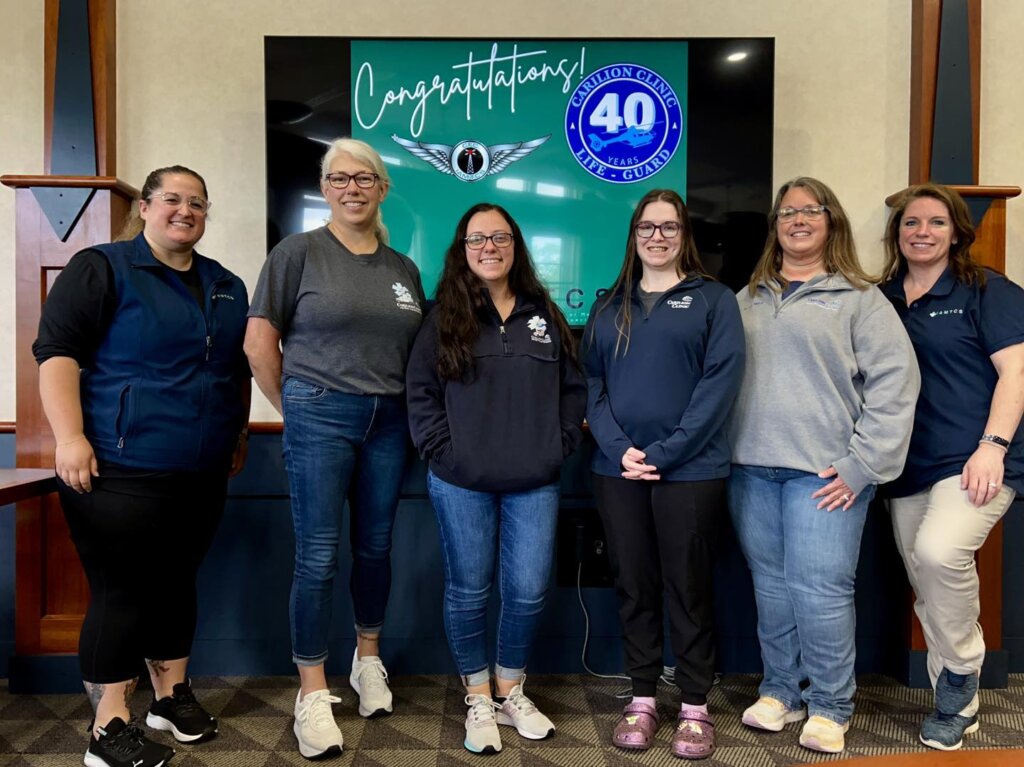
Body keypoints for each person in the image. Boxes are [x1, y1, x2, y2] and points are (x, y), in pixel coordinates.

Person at [33, 165, 251, 767]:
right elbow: (57, 352)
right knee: (122, 592)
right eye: (173, 199)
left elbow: (234, 368)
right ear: (146, 207)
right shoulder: (101, 268)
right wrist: (69, 437)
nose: (186, 211)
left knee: (178, 582)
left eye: (198, 203)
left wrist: (237, 432)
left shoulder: (226, 284)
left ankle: (169, 697)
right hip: (117, 467)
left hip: (202, 469)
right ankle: (107, 728)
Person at [244, 138, 425, 759]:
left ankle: (366, 660)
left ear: (382, 188)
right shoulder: (297, 253)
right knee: (318, 556)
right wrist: (296, 407)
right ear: (325, 188)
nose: (353, 188)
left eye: (364, 178)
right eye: (340, 178)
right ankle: (313, 691)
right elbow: (258, 344)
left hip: (390, 422)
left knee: (375, 548)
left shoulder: (403, 269)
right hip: (319, 413)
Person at [728, 177, 920, 754]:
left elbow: (896, 385)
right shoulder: (746, 298)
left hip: (826, 476)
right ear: (775, 226)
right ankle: (781, 691)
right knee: (772, 589)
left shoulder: (860, 298)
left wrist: (863, 466)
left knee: (821, 591)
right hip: (751, 470)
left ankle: (832, 705)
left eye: (811, 211)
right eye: (788, 212)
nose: (798, 220)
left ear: (831, 221)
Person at [406, 202, 586, 755]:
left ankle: (510, 691)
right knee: (468, 591)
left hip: (534, 479)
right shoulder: (442, 318)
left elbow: (573, 389)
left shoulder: (544, 314)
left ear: (516, 246)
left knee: (528, 591)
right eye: (477, 239)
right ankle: (478, 696)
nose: (490, 247)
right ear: (462, 249)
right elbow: (421, 394)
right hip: (461, 481)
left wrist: (558, 445)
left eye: (500, 237)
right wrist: (444, 452)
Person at [582, 189, 745, 760]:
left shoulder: (715, 300)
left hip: (692, 471)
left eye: (669, 226)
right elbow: (592, 384)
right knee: (634, 584)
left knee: (689, 586)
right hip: (617, 470)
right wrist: (619, 449)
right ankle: (643, 696)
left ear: (684, 234)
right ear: (634, 236)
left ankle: (695, 705)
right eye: (647, 227)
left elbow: (719, 385)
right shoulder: (609, 306)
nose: (657, 236)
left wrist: (668, 452)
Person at [879, 183, 1024, 751]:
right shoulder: (883, 298)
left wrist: (993, 445)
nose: (922, 232)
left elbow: (1016, 373)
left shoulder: (986, 289)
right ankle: (958, 701)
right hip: (907, 461)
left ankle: (961, 672)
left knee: (940, 553)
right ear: (896, 233)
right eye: (911, 222)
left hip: (975, 459)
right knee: (926, 577)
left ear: (958, 232)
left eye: (936, 222)